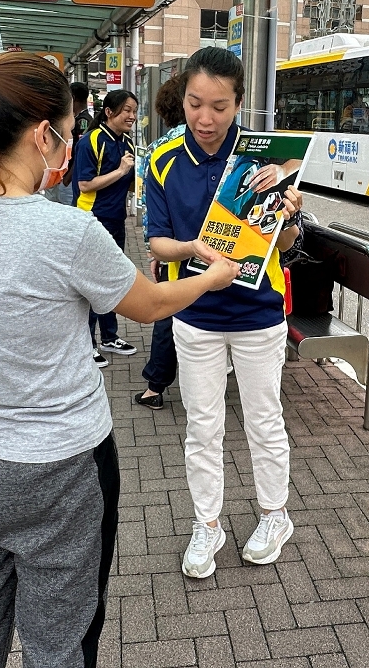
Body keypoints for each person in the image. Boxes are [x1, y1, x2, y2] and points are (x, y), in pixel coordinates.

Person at [0, 53, 237, 668]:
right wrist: (212, 278)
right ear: (41, 136)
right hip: (64, 466)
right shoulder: (67, 234)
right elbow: (151, 306)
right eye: (69, 131)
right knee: (59, 637)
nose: (70, 145)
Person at [144, 46, 304, 579]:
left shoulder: (267, 158)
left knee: (264, 420)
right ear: (182, 98)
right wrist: (193, 248)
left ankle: (275, 516)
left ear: (239, 104)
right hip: (195, 314)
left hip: (259, 313)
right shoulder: (163, 160)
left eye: (219, 106)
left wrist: (289, 216)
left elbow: (284, 246)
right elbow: (157, 243)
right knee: (202, 427)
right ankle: (207, 524)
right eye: (195, 103)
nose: (205, 118)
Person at [134, 76, 189, 410]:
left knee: (168, 313)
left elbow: (149, 209)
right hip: (221, 246)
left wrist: (155, 250)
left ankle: (155, 387)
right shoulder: (221, 142)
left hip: (174, 249)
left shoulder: (158, 150)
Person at [75, 89, 139, 368]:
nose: (132, 116)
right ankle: (87, 343)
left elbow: (130, 183)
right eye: (126, 110)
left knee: (111, 280)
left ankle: (109, 337)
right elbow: (84, 185)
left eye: (134, 111)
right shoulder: (91, 141)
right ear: (109, 112)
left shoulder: (127, 142)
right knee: (92, 284)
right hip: (92, 219)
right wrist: (121, 171)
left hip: (116, 219)